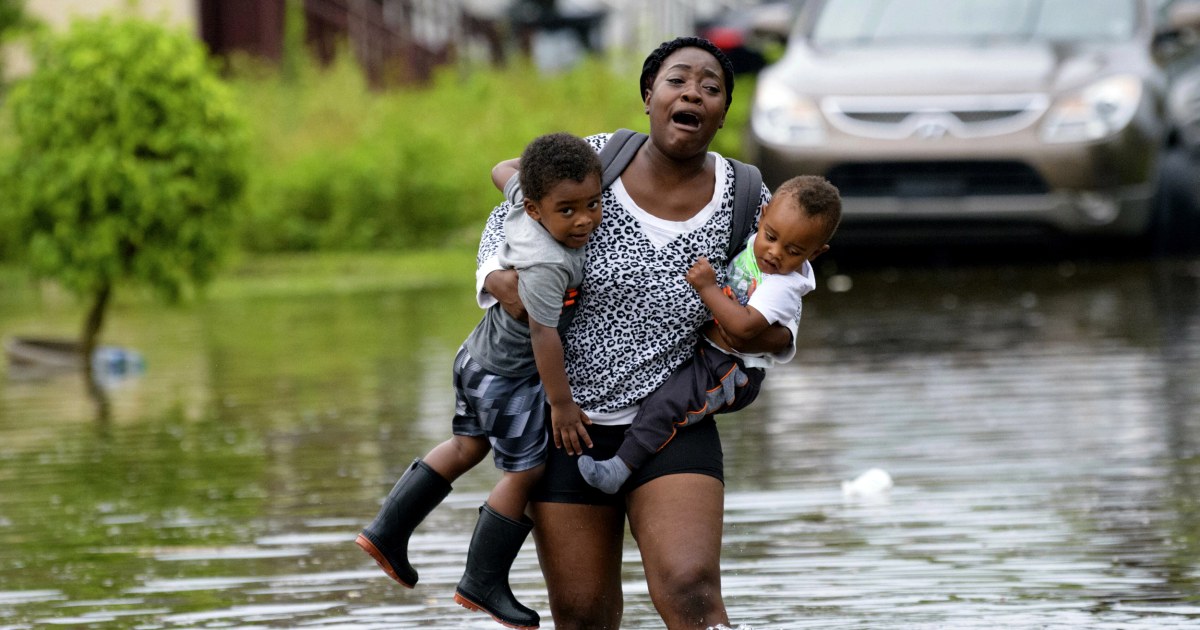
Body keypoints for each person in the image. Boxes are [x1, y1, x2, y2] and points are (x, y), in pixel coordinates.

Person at [478, 36, 793, 629]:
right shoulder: (595, 159)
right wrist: (499, 282)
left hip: (674, 418)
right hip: (568, 422)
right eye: (677, 80)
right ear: (649, 95)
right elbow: (508, 218)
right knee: (582, 613)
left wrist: (766, 336)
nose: (692, 92)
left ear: (724, 111)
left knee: (690, 589)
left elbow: (783, 302)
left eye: (710, 86)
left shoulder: (750, 199)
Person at [355, 132, 602, 630]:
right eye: (567, 210)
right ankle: (482, 581)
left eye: (593, 204)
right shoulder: (548, 262)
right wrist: (561, 405)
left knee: (467, 446)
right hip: (509, 377)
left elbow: (500, 168)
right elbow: (543, 334)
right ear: (535, 210)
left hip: (474, 360)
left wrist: (530, 174)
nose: (584, 220)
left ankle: (387, 531)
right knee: (525, 472)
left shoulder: (521, 200)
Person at [576, 175, 841, 493]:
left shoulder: (783, 286)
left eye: (794, 251)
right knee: (661, 393)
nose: (775, 253)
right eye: (770, 236)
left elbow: (742, 327)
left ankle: (619, 469)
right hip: (711, 353)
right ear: (763, 215)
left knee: (667, 404)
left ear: (815, 254)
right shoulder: (754, 246)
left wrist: (707, 288)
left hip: (729, 369)